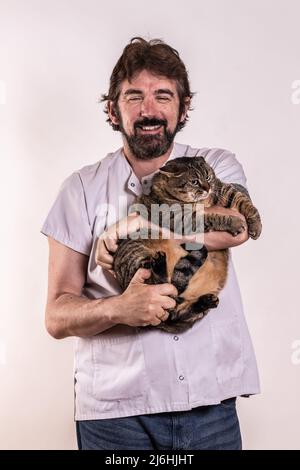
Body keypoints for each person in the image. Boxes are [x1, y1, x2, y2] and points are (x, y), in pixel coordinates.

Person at [41, 37, 260, 450]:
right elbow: (56, 315)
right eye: (133, 96)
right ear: (112, 108)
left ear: (183, 106)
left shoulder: (215, 165)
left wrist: (136, 225)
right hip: (116, 419)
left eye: (163, 95)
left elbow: (236, 227)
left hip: (211, 405)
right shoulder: (79, 190)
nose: (149, 110)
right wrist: (119, 308)